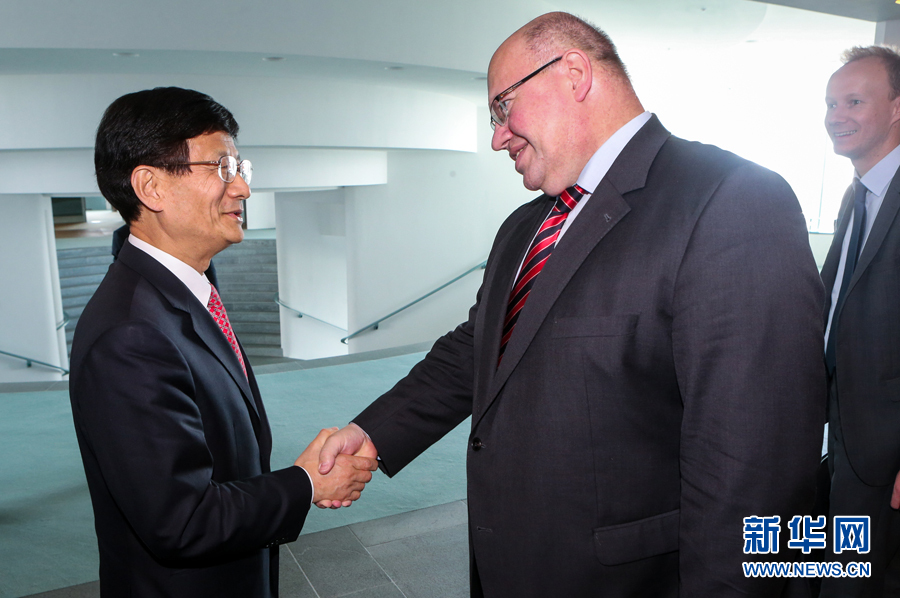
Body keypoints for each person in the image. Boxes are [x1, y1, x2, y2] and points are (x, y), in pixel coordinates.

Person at [317, 12, 825, 598]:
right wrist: (372, 433)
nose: (497, 137)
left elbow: (755, 465)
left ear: (575, 74)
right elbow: (479, 349)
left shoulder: (731, 199)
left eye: (503, 108)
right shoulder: (523, 227)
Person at [69, 87, 377, 598]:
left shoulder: (187, 290)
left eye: (241, 168)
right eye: (222, 168)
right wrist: (306, 483)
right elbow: (182, 520)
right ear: (150, 186)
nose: (243, 189)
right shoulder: (131, 334)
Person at [820, 46, 900, 598]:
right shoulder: (858, 195)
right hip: (842, 438)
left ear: (896, 108)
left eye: (853, 102)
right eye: (830, 104)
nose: (835, 116)